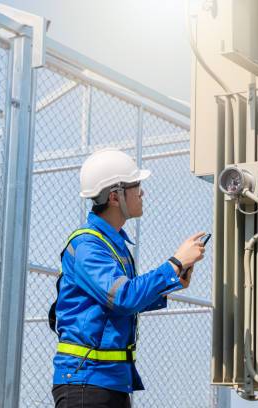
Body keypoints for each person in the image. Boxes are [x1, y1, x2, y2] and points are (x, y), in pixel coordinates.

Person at [49, 148, 206, 408]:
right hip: (87, 383)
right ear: (114, 196)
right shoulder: (88, 245)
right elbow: (123, 297)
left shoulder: (113, 242)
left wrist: (173, 281)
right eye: (136, 186)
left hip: (109, 381)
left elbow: (121, 302)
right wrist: (174, 264)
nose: (142, 192)